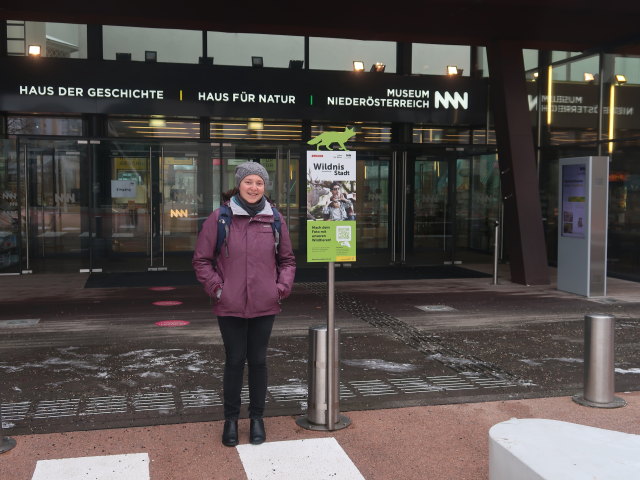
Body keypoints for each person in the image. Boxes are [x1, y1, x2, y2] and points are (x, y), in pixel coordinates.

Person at [192, 162, 296, 447]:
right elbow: (202, 260)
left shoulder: (274, 218)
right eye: (249, 182)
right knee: (235, 361)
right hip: (230, 304)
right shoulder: (220, 218)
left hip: (265, 303)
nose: (254, 187)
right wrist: (217, 289)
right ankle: (231, 420)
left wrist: (280, 288)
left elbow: (287, 260)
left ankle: (258, 419)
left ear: (265, 187)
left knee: (259, 361)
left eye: (259, 183)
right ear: (239, 184)